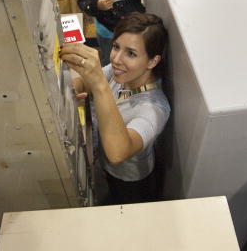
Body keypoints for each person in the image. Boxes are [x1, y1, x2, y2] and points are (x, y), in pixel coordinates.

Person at [60, 12, 171, 204]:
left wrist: (99, 85)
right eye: (116, 47)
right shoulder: (118, 72)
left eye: (131, 53)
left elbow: (118, 152)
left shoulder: (155, 108)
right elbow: (84, 83)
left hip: (131, 181)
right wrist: (73, 90)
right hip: (107, 167)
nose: (116, 59)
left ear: (153, 61)